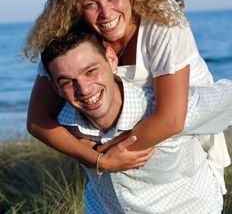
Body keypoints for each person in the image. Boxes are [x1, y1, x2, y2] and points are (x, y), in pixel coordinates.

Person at [24, 0, 230, 192]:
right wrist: (98, 160)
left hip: (185, 135)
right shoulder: (73, 39)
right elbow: (37, 120)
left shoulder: (161, 22)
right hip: (129, 140)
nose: (106, 13)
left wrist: (106, 154)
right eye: (90, 4)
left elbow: (172, 119)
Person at [41, 26, 232, 213]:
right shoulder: (64, 125)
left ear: (111, 59)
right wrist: (98, 157)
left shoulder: (171, 109)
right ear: (55, 88)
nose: (83, 89)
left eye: (90, 71)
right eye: (67, 81)